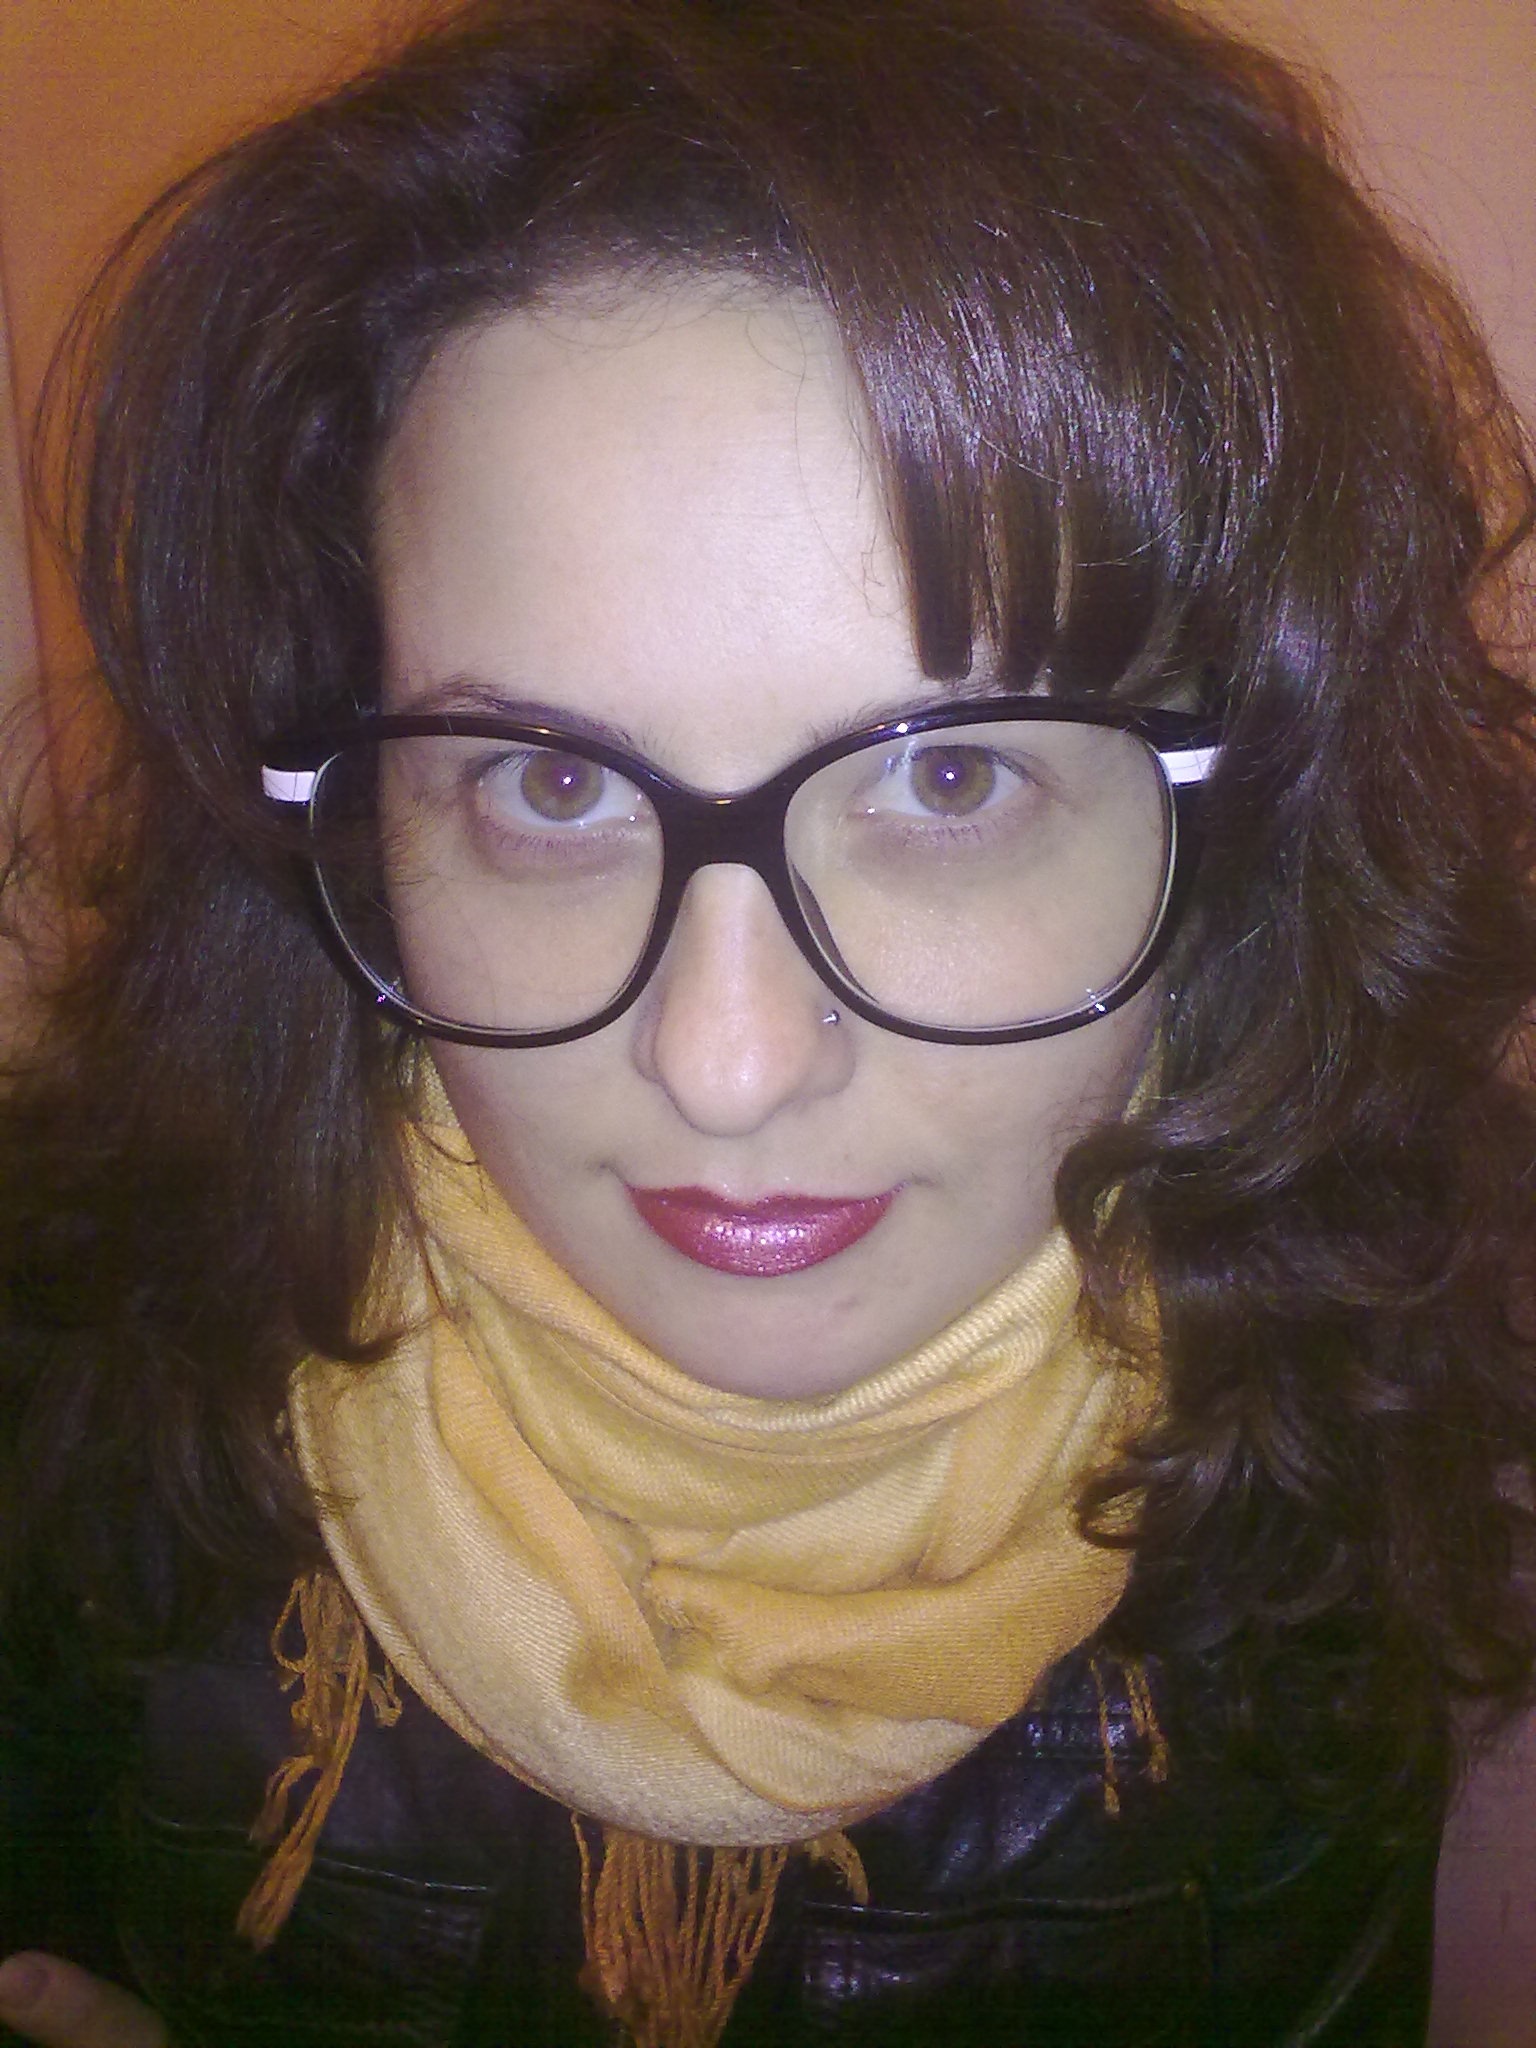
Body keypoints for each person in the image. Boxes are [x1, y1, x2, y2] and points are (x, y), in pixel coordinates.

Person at [1, 0, 1533, 2042]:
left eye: (949, 779)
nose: (725, 1065)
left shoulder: (1417, 1467)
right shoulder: (58, 1418)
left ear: (1239, 807)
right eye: (549, 783)